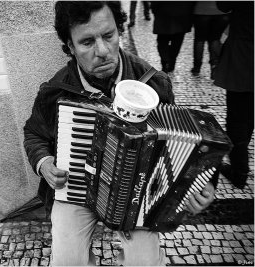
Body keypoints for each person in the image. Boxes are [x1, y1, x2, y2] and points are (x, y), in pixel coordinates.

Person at [23, 1, 216, 265]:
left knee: (144, 262)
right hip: (78, 189)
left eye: (109, 35)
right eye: (87, 42)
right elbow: (33, 134)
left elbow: (177, 141)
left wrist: (195, 183)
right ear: (70, 47)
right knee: (67, 262)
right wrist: (44, 163)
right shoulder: (56, 91)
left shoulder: (154, 84)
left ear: (119, 30)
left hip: (138, 191)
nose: (102, 51)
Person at [213, 2, 254, 189]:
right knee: (248, 115)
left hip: (243, 56)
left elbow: (223, 4)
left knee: (237, 118)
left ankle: (239, 171)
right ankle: (240, 164)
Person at [151, 1, 195, 73]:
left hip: (164, 13)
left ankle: (165, 60)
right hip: (181, 14)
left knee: (163, 41)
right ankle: (171, 61)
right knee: (177, 41)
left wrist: (155, 10)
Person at [191, 1, 230, 78]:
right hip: (221, 11)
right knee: (215, 39)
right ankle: (214, 66)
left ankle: (197, 67)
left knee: (199, 39)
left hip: (201, 10)